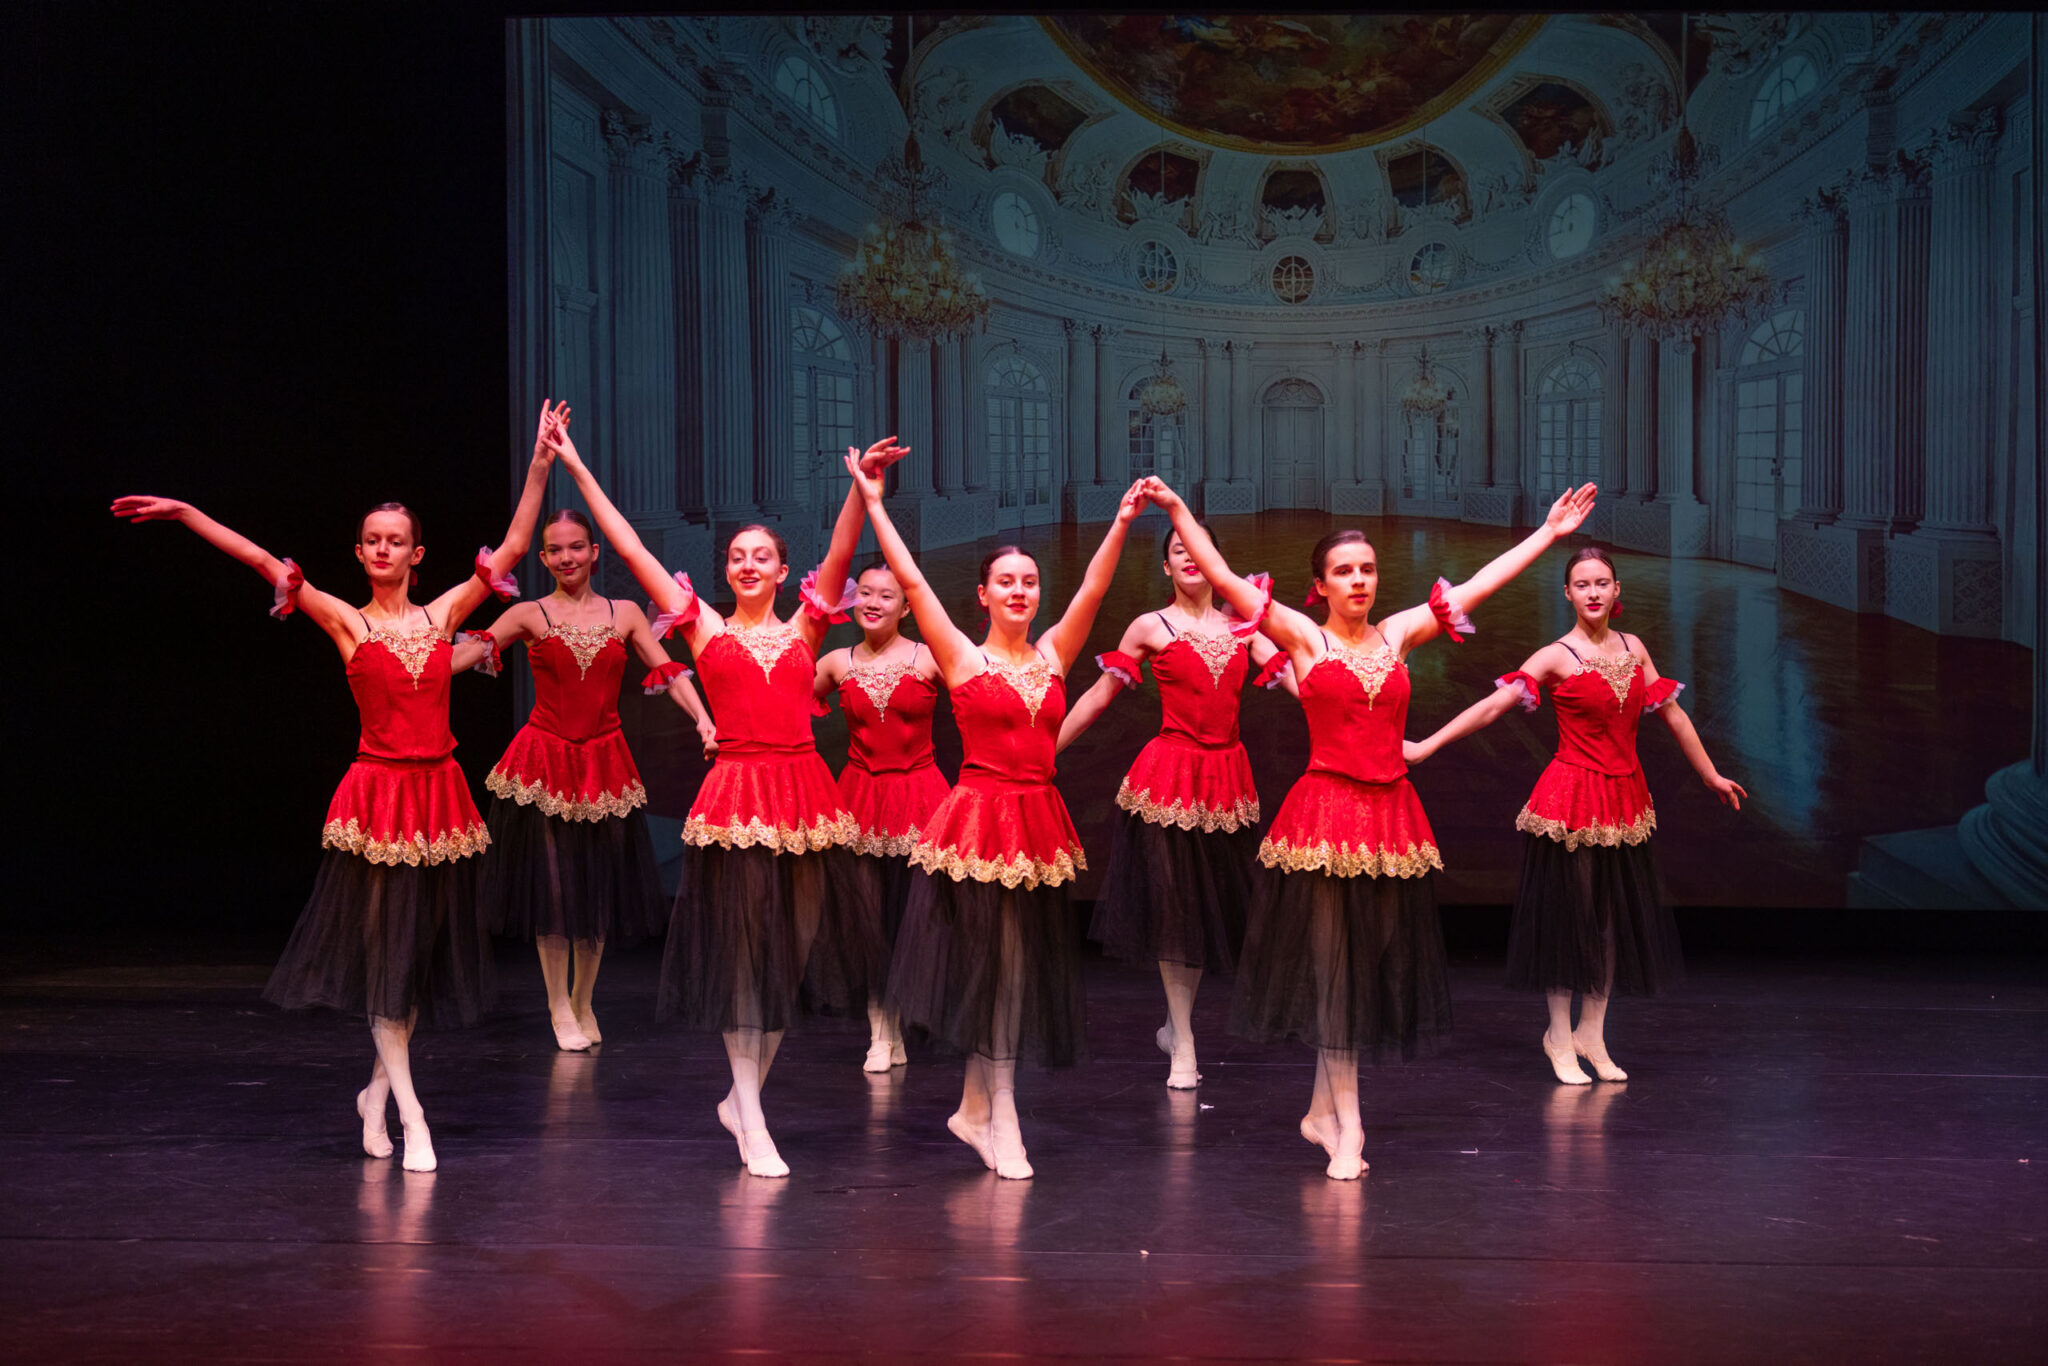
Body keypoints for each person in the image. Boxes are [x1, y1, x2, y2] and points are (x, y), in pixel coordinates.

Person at [109, 401, 563, 1171]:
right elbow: (260, 561)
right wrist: (187, 513)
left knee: (413, 961)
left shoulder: (445, 613)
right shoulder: (346, 623)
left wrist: (543, 460)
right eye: (373, 541)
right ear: (360, 552)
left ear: (418, 553)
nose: (385, 550)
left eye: (398, 541)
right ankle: (414, 1115)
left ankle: (376, 1095)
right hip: (379, 799)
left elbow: (518, 542)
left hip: (439, 800)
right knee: (384, 953)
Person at [1148, 475, 1598, 1179]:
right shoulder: (1301, 637)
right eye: (1343, 572)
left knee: (1368, 964)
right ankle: (1349, 1125)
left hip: (1390, 821)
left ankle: (1323, 1111)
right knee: (1336, 972)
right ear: (1319, 586)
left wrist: (1547, 535)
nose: (1359, 580)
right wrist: (1177, 509)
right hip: (1323, 820)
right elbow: (1223, 576)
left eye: (1367, 570)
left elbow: (1481, 585)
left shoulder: (1398, 633)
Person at [547, 413, 906, 1178]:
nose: (747, 565)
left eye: (762, 557)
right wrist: (577, 466)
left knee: (794, 949)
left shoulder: (809, 628)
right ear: (726, 570)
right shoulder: (705, 630)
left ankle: (744, 1099)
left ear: (784, 572)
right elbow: (635, 550)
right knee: (745, 956)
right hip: (738, 795)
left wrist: (859, 489)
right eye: (737, 557)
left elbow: (841, 553)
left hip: (804, 796)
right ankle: (750, 1108)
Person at [849, 446, 1150, 1180]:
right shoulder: (958, 656)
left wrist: (1118, 523)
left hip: (1037, 826)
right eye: (1005, 582)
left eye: (1029, 582)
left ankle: (979, 1107)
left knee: (1015, 973)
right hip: (978, 824)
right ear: (981, 595)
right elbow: (914, 582)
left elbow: (1093, 591)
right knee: (992, 968)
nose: (1020, 591)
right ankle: (997, 1113)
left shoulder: (1053, 656)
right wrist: (876, 505)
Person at [1406, 545, 1746, 1084]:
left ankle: (1593, 1031)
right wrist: (1428, 745)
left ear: (1617, 593)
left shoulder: (1634, 648)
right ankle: (1558, 1037)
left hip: (1625, 799)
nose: (1592, 592)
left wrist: (1708, 773)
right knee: (1571, 918)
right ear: (1567, 594)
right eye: (1582, 584)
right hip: (1571, 799)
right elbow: (1494, 707)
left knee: (1610, 920)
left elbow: (1673, 715)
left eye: (1602, 583)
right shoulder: (1555, 655)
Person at [467, 495, 718, 1053]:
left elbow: (670, 672)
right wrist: (412, 651)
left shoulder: (624, 613)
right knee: (554, 890)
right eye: (554, 550)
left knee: (596, 887)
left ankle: (583, 999)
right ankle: (558, 1003)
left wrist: (704, 720)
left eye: (575, 547)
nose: (565, 557)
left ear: (594, 551)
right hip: (545, 759)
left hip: (604, 762)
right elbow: (466, 654)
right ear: (545, 558)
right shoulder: (529, 613)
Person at [1057, 522, 1295, 1090]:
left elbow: (1299, 679)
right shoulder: (1151, 626)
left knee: (1206, 911)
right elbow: (1098, 695)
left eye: (1196, 550)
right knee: (1175, 908)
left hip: (1226, 784)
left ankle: (1175, 1024)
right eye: (1176, 552)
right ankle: (1184, 1041)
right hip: (1167, 781)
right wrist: (1045, 750)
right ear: (1166, 567)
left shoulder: (1244, 625)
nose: (1187, 558)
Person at [813, 561, 952, 1073]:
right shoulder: (835, 664)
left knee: (915, 919)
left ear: (907, 606)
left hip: (921, 798)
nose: (873, 603)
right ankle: (880, 1029)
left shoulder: (930, 659)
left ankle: (908, 1019)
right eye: (864, 593)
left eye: (886, 596)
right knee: (867, 920)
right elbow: (783, 709)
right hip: (858, 800)